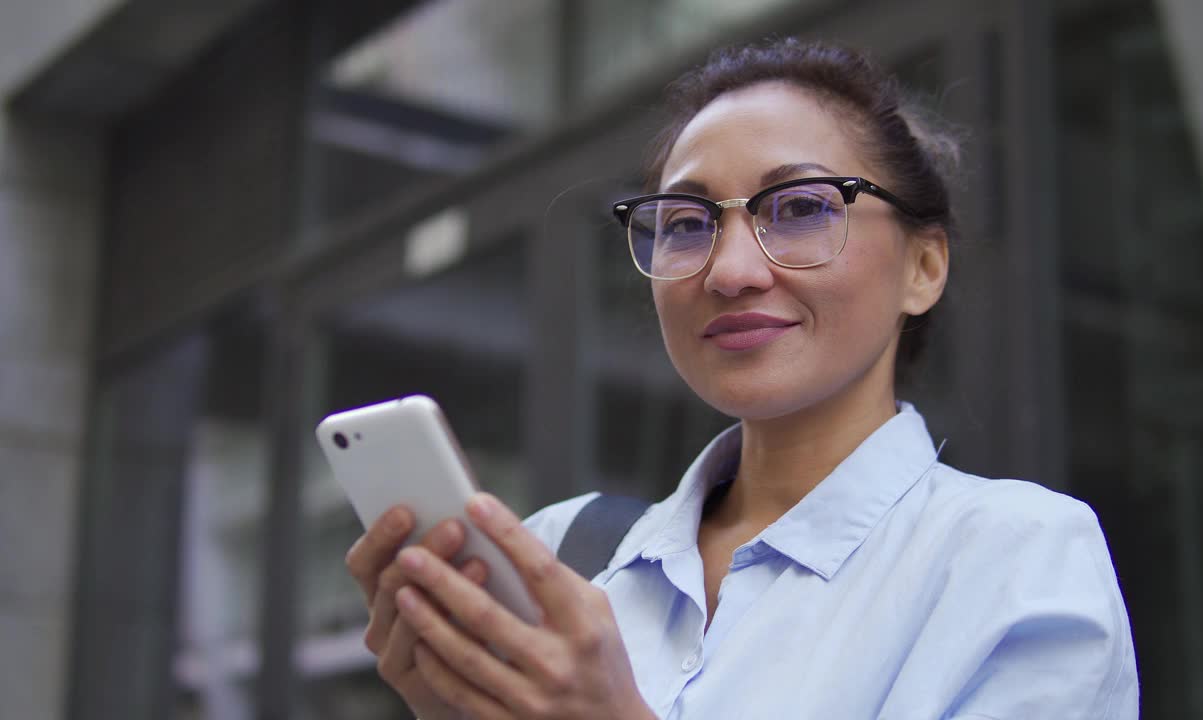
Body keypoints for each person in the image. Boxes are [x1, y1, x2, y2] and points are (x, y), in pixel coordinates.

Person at [344, 38, 1139, 719]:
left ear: (923, 267)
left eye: (798, 208)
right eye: (687, 224)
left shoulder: (1014, 559)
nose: (729, 270)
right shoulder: (562, 552)